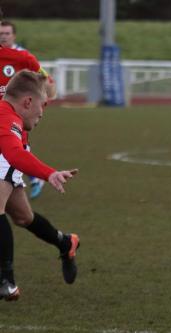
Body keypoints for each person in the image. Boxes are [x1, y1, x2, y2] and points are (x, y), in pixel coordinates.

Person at [0, 70, 79, 301]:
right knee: (24, 217)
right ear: (27, 102)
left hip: (7, 156)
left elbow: (14, 154)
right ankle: (66, 242)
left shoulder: (9, 118)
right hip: (9, 153)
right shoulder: (8, 113)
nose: (42, 113)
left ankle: (6, 281)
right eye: (42, 105)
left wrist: (48, 173)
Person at [0, 20, 46, 198]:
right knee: (23, 216)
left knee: (14, 150)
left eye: (7, 33)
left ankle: (37, 177)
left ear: (14, 36)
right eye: (1, 33)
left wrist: (37, 106)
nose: (3, 36)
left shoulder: (22, 57)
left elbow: (45, 81)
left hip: (13, 119)